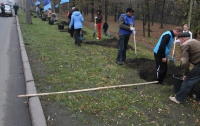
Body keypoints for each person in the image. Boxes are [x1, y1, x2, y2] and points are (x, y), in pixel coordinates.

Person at [169, 32, 200, 104]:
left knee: (188, 80)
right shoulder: (194, 41)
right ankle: (199, 98)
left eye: (180, 40)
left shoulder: (185, 44)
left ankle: (178, 99)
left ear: (183, 39)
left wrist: (185, 73)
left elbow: (184, 61)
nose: (179, 42)